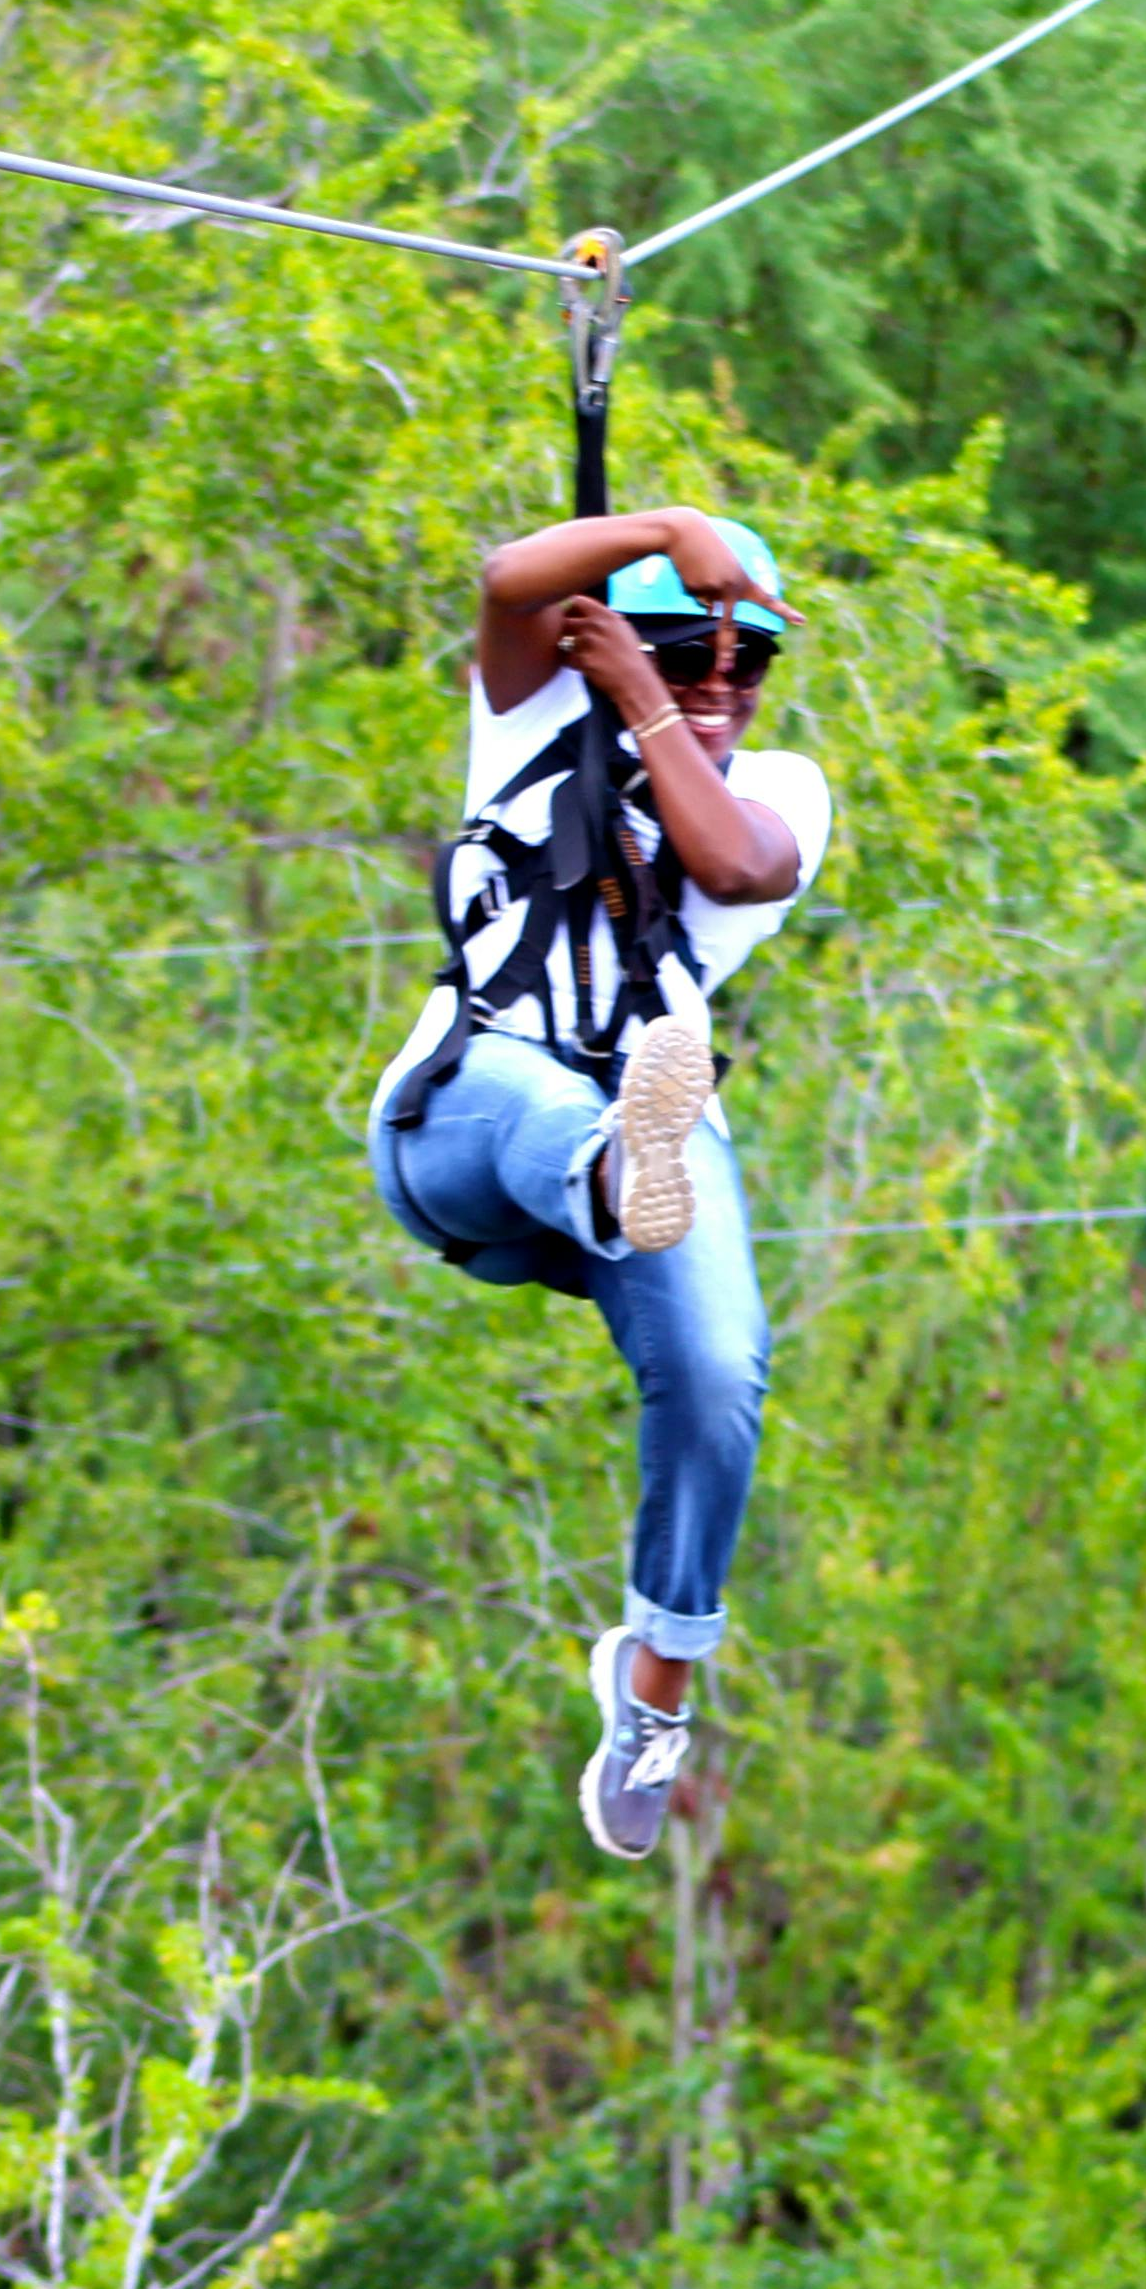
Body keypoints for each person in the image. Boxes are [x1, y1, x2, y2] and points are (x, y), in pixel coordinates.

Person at [368, 502, 829, 1857]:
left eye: (746, 670)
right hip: (465, 1122)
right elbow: (512, 578)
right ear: (606, 649)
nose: (723, 693)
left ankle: (655, 1683)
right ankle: (613, 1161)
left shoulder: (780, 790)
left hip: (657, 1117)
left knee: (723, 1367)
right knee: (547, 1102)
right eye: (693, 660)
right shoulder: (522, 734)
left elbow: (735, 863)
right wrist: (672, 529)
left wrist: (648, 696)